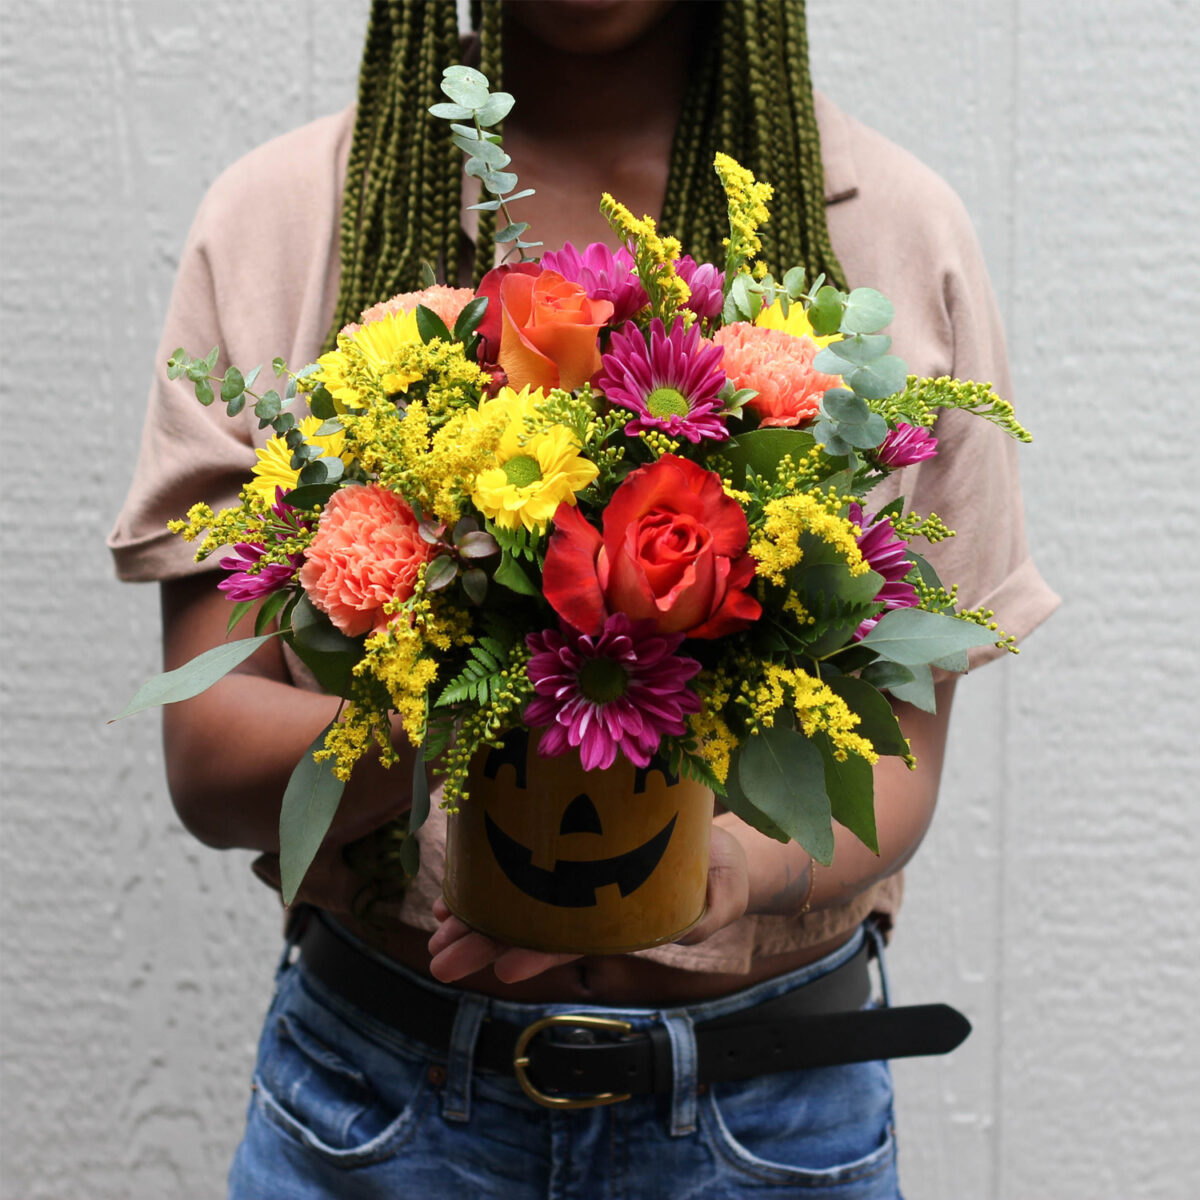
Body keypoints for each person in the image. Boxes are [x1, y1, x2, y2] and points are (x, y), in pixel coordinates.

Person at [109, 2, 1059, 1196]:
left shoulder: (899, 233)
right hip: (381, 1115)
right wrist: (501, 720)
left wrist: (733, 875)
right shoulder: (284, 215)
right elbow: (212, 758)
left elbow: (898, 760)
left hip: (763, 1128)